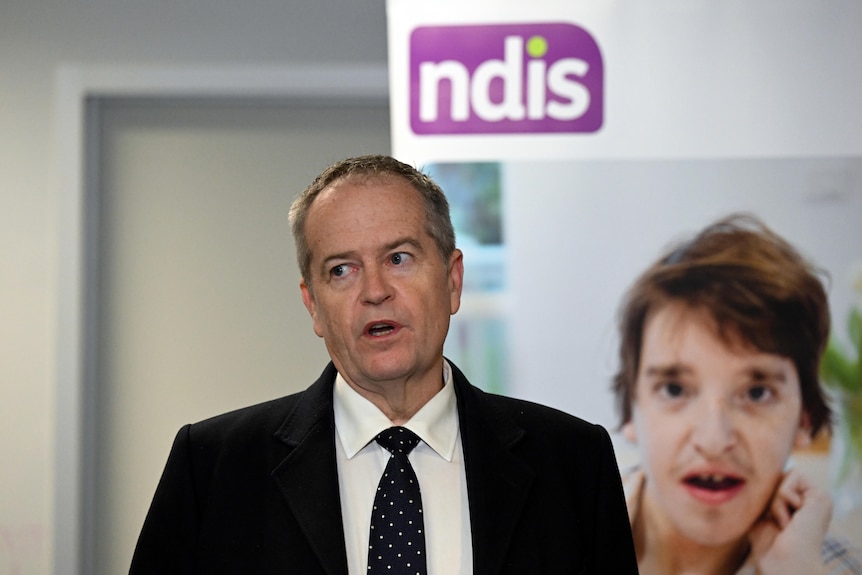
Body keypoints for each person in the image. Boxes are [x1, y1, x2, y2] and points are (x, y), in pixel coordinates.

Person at [129, 154, 638, 574]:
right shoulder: (214, 468)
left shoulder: (572, 463)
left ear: (453, 280)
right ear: (313, 306)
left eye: (398, 258)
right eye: (342, 270)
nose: (375, 291)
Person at [612, 213, 862, 575]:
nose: (714, 441)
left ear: (805, 418)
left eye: (757, 393)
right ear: (630, 410)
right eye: (674, 389)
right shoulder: (542, 538)